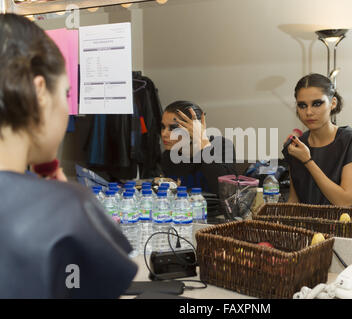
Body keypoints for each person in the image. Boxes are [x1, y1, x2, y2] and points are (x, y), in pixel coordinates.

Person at [0, 13, 137, 298]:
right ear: (39, 93)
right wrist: (61, 198)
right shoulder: (65, 209)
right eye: (66, 93)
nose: (66, 108)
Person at [282, 73, 352, 217]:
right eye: (302, 105)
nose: (309, 112)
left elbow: (344, 203)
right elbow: (294, 201)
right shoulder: (297, 146)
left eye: (317, 103)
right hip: (306, 231)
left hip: (346, 232)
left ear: (333, 103)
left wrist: (307, 161)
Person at [160, 100, 235, 195]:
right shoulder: (169, 155)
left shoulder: (222, 145)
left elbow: (225, 191)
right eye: (163, 127)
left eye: (173, 128)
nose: (164, 134)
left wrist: (203, 141)